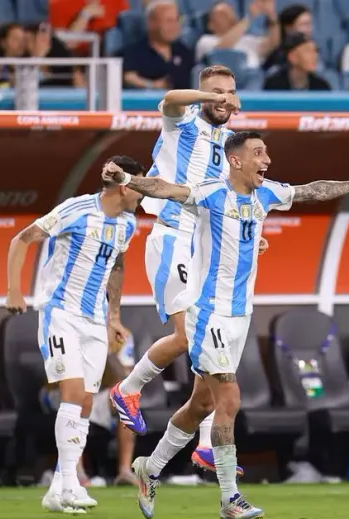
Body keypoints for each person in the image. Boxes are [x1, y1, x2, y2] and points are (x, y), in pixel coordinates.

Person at [102, 131, 349, 519]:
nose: (267, 160)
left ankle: (149, 468)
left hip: (240, 317)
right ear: (235, 160)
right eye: (259, 153)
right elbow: (164, 188)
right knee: (230, 400)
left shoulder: (266, 194)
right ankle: (229, 498)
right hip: (209, 313)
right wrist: (126, 179)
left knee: (202, 404)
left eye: (267, 152)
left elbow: (314, 190)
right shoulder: (210, 193)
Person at [110, 65, 265, 477]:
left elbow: (227, 201)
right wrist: (208, 97)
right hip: (172, 237)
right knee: (186, 336)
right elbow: (170, 100)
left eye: (229, 91)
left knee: (212, 351)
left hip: (202, 244)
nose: (224, 98)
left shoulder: (231, 145)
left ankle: (206, 444)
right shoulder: (182, 122)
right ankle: (128, 389)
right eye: (216, 91)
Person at [5, 155, 142, 514]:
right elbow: (22, 238)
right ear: (124, 187)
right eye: (138, 187)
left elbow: (117, 265)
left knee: (86, 402)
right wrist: (14, 290)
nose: (142, 194)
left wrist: (114, 316)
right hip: (60, 313)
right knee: (72, 394)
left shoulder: (127, 225)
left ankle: (58, 487)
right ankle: (70, 484)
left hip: (95, 321)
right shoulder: (76, 209)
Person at [195, 0, 279, 70]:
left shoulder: (248, 40)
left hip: (252, 80)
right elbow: (220, 51)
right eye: (222, 14)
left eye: (230, 12)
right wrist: (250, 17)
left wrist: (272, 16)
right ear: (210, 25)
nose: (229, 16)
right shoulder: (205, 41)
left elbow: (272, 44)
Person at [262, 32, 332, 91]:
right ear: (292, 57)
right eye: (308, 51)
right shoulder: (274, 85)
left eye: (315, 51)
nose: (315, 56)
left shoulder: (321, 87)